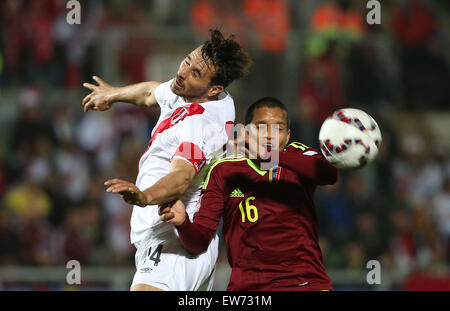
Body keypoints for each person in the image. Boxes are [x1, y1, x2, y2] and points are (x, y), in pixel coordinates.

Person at [81, 29, 252, 291]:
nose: (183, 72)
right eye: (187, 61)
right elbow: (151, 93)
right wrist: (113, 94)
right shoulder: (187, 91)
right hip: (161, 236)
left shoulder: (204, 125)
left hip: (176, 238)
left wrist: (145, 196)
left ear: (214, 88)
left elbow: (181, 177)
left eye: (195, 73)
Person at [159, 97, 338, 290]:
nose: (269, 135)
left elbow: (329, 173)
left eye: (278, 128)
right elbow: (199, 243)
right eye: (261, 127)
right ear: (245, 132)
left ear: (287, 136)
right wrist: (184, 223)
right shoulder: (224, 171)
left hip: (304, 283)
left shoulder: (298, 156)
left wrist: (271, 156)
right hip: (248, 289)